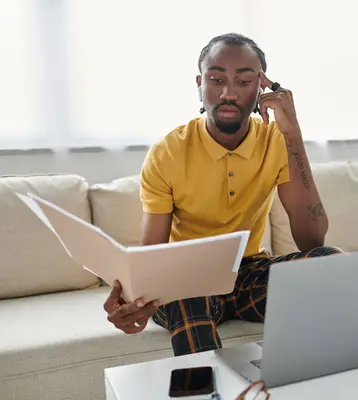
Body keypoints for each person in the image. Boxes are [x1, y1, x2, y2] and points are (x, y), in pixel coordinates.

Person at [103, 33, 343, 356]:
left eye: (244, 81)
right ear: (200, 84)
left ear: (262, 87)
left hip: (247, 274)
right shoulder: (168, 152)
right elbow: (153, 261)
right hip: (185, 281)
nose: (229, 93)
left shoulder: (276, 140)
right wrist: (134, 301)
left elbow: (313, 241)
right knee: (186, 296)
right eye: (216, 79)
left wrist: (293, 133)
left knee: (333, 264)